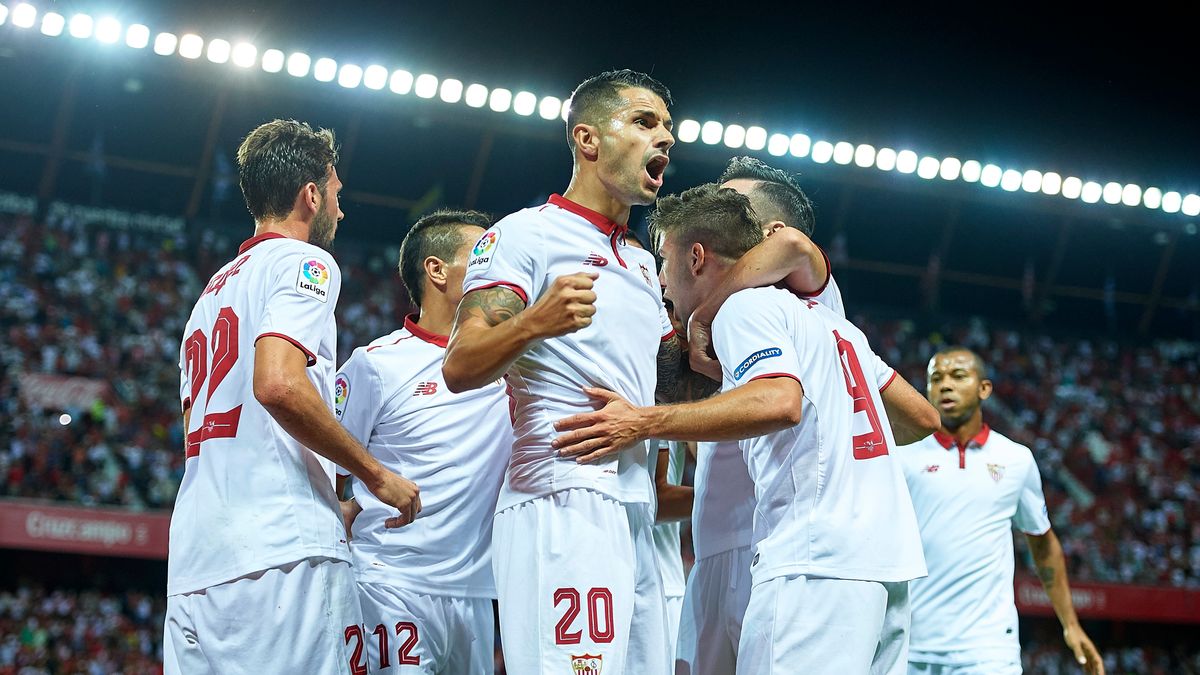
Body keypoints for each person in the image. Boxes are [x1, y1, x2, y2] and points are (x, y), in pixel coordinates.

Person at [552, 183, 939, 674]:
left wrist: (642, 421)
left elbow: (779, 401)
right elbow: (920, 419)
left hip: (807, 557)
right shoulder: (837, 325)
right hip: (885, 562)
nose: (661, 282)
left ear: (697, 257)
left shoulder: (747, 307)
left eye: (664, 261)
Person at [441, 69, 680, 674]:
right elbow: (460, 365)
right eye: (645, 122)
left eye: (669, 129)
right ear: (588, 139)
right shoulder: (527, 234)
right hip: (562, 495)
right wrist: (533, 323)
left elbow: (670, 382)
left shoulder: (644, 264)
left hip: (636, 507)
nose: (665, 140)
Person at [165, 119, 420, 675]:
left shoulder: (208, 296)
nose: (340, 209)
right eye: (336, 193)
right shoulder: (305, 262)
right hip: (282, 548)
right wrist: (375, 475)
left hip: (194, 561)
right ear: (311, 195)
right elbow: (277, 383)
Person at [675, 157, 841, 675]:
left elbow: (793, 248)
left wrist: (702, 315)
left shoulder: (808, 299)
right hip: (718, 547)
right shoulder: (745, 314)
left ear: (768, 231)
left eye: (732, 207)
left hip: (772, 549)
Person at [335, 209, 511, 674]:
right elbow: (328, 471)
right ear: (435, 270)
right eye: (482, 257)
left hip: (476, 594)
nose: (496, 270)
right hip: (391, 586)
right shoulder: (375, 365)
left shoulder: (513, 367)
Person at [900, 348, 1105, 675]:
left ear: (984, 389)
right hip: (912, 647)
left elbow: (1042, 542)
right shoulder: (902, 456)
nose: (945, 386)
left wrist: (1070, 624)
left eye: (958, 376)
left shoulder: (1016, 459)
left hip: (989, 650)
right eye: (936, 379)